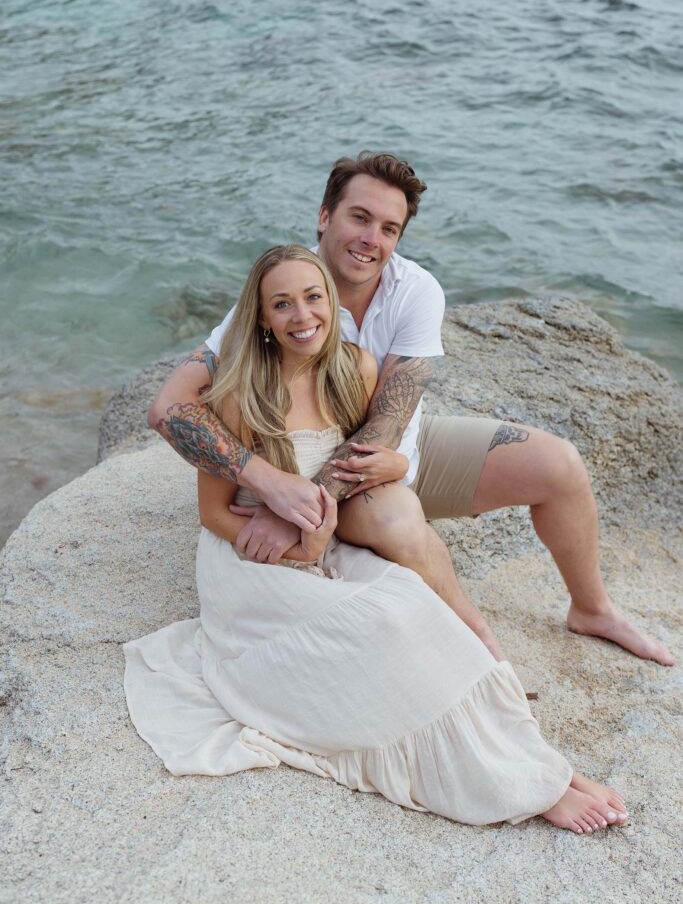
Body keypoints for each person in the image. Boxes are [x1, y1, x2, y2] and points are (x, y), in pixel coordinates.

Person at [125, 244, 629, 832]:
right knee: (380, 630)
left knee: (417, 611)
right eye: (281, 304)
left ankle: (542, 765)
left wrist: (375, 481)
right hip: (252, 558)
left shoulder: (356, 369)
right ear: (259, 317)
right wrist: (296, 547)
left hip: (326, 541)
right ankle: (524, 787)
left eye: (312, 298)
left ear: (331, 302)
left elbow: (372, 457)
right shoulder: (237, 394)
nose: (300, 316)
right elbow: (213, 514)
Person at [148, 152, 674, 667]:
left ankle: (592, 609)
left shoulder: (415, 290)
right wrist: (274, 486)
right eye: (359, 217)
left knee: (560, 465)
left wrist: (311, 505)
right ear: (325, 216)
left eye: (389, 228)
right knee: (399, 521)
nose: (370, 239)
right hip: (346, 483)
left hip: (390, 456)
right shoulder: (281, 291)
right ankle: (475, 637)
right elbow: (168, 408)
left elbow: (389, 421)